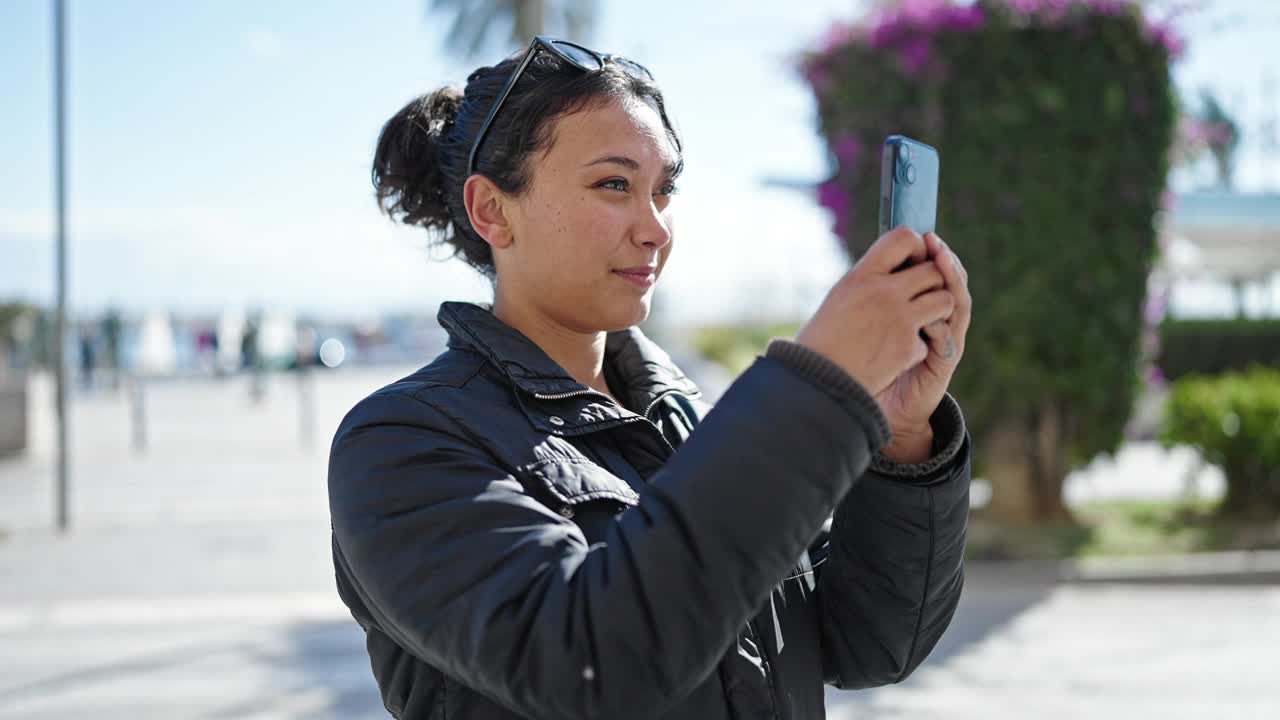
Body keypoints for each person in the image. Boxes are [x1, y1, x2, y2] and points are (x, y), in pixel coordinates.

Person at [328, 36, 973, 720]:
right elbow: (594, 664)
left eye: (663, 190)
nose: (656, 227)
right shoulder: (401, 443)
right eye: (614, 184)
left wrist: (903, 434)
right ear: (492, 209)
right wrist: (821, 384)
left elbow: (867, 643)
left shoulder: (687, 418)